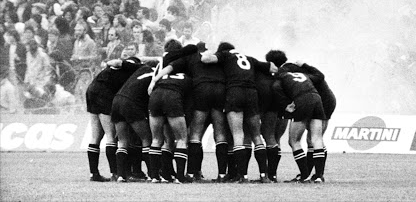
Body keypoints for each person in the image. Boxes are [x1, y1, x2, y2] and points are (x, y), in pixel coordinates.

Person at [201, 42, 277, 183]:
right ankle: (264, 176)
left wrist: (208, 53)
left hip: (235, 91)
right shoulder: (249, 58)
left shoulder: (225, 55)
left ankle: (243, 176)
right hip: (252, 93)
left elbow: (205, 59)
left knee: (237, 134)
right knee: (256, 135)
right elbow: (273, 68)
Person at [266, 49, 326, 183]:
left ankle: (304, 176)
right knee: (316, 138)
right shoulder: (301, 73)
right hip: (316, 98)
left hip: (302, 100)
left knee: (293, 141)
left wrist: (285, 105)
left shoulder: (280, 74)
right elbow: (319, 76)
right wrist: (305, 65)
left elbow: (275, 87)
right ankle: (319, 176)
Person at [85, 56, 144, 182]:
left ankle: (94, 173)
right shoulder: (133, 68)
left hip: (92, 89)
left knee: (96, 136)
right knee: (111, 136)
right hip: (104, 93)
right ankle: (115, 173)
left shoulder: (116, 70)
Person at [146, 40, 197, 183]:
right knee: (181, 139)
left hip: (156, 95)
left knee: (157, 139)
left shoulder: (161, 67)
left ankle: (155, 176)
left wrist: (154, 81)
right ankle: (180, 176)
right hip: (173, 97)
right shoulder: (186, 72)